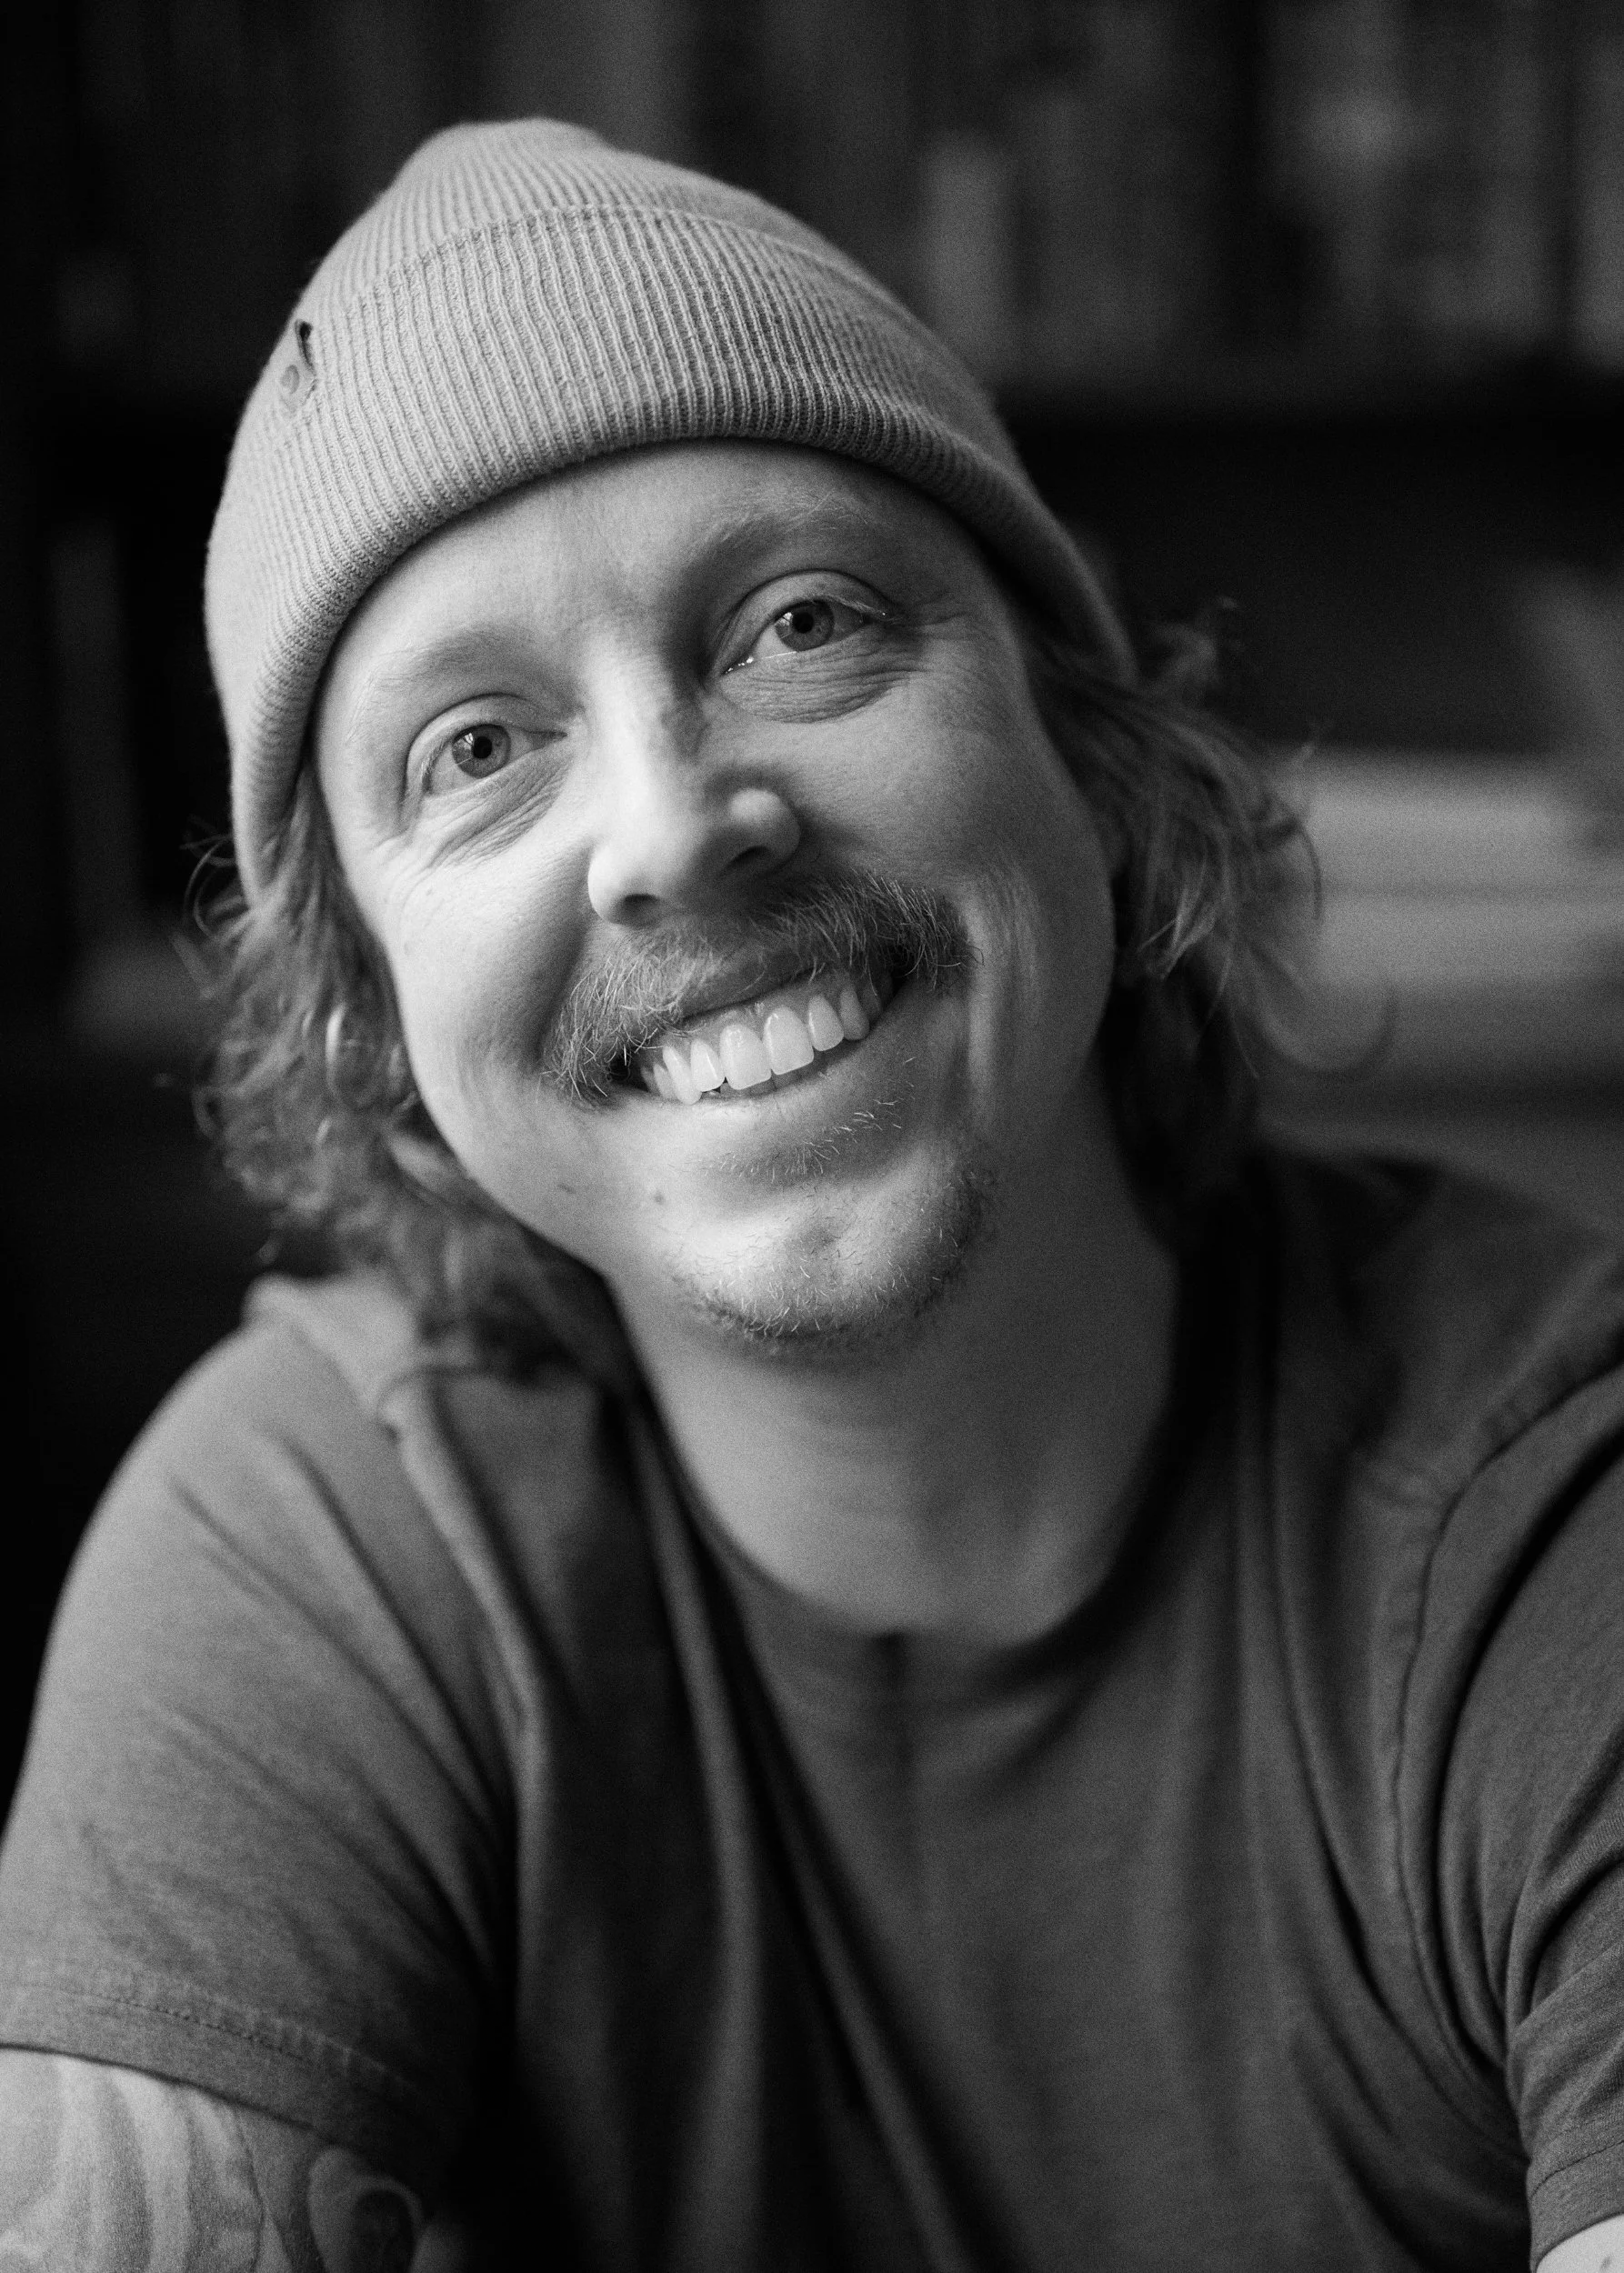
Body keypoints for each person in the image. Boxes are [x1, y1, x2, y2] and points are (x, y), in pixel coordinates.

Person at [1, 116, 1621, 2273]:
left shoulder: (1550, 1510)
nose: (670, 825)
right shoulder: (325, 1544)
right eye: (471, 749)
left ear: (1088, 758)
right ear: (381, 1044)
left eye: (797, 620)